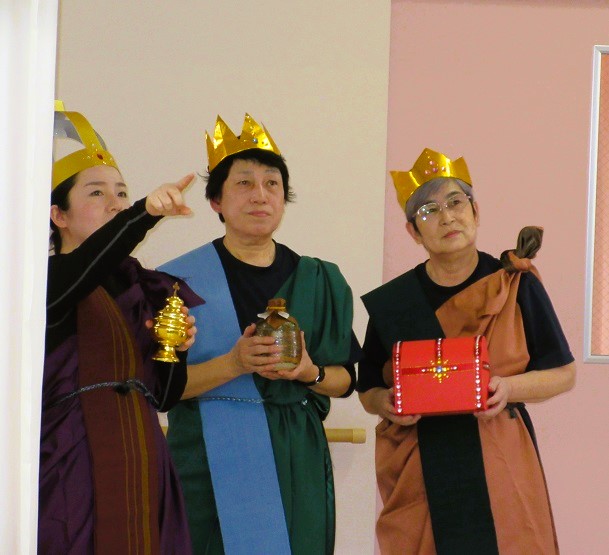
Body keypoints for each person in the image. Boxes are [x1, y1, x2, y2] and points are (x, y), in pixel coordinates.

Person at [159, 113, 361, 554]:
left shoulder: (320, 279)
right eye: (244, 183)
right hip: (207, 457)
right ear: (216, 201)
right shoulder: (176, 282)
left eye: (272, 184)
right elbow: (160, 390)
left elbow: (345, 379)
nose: (261, 195)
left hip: (295, 457)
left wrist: (308, 372)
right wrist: (233, 364)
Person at [357, 147, 576, 555]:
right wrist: (383, 402)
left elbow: (564, 373)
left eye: (455, 202)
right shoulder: (394, 304)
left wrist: (507, 388)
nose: (446, 217)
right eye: (428, 210)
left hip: (500, 458)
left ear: (475, 210)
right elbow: (367, 386)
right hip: (420, 465)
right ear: (413, 231)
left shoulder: (514, 284)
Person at [40, 102, 202, 554]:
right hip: (73, 455)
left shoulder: (146, 286)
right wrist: (144, 214)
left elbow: (165, 396)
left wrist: (176, 348)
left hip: (142, 451)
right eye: (96, 192)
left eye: (122, 192)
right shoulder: (47, 280)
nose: (116, 202)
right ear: (59, 215)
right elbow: (84, 270)